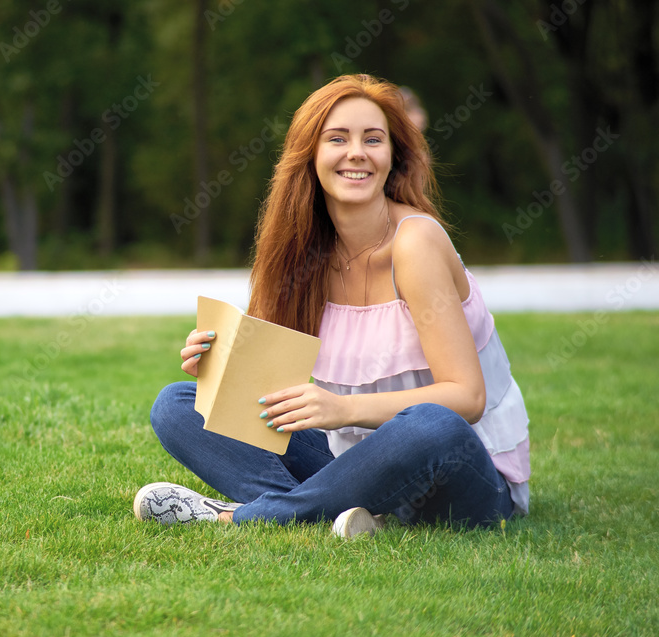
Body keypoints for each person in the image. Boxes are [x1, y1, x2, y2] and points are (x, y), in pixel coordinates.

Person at [134, 74, 530, 538]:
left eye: (373, 139)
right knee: (176, 405)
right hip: (354, 461)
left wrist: (343, 409)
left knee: (431, 424)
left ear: (393, 157)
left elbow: (467, 398)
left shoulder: (416, 243)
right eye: (337, 139)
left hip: (463, 474)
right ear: (311, 156)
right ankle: (334, 515)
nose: (357, 152)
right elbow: (267, 394)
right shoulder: (303, 254)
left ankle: (252, 515)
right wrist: (217, 368)